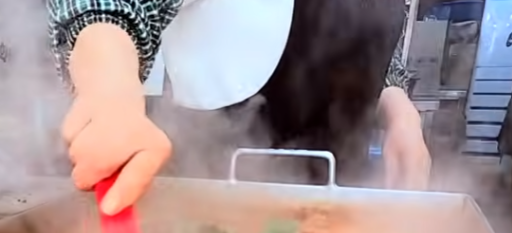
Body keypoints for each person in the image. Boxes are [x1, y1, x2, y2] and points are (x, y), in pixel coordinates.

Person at [47, 0, 432, 215]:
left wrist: (400, 110)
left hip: (340, 208)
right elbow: (109, 6)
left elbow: (364, 37)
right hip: (208, 204)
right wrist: (110, 83)